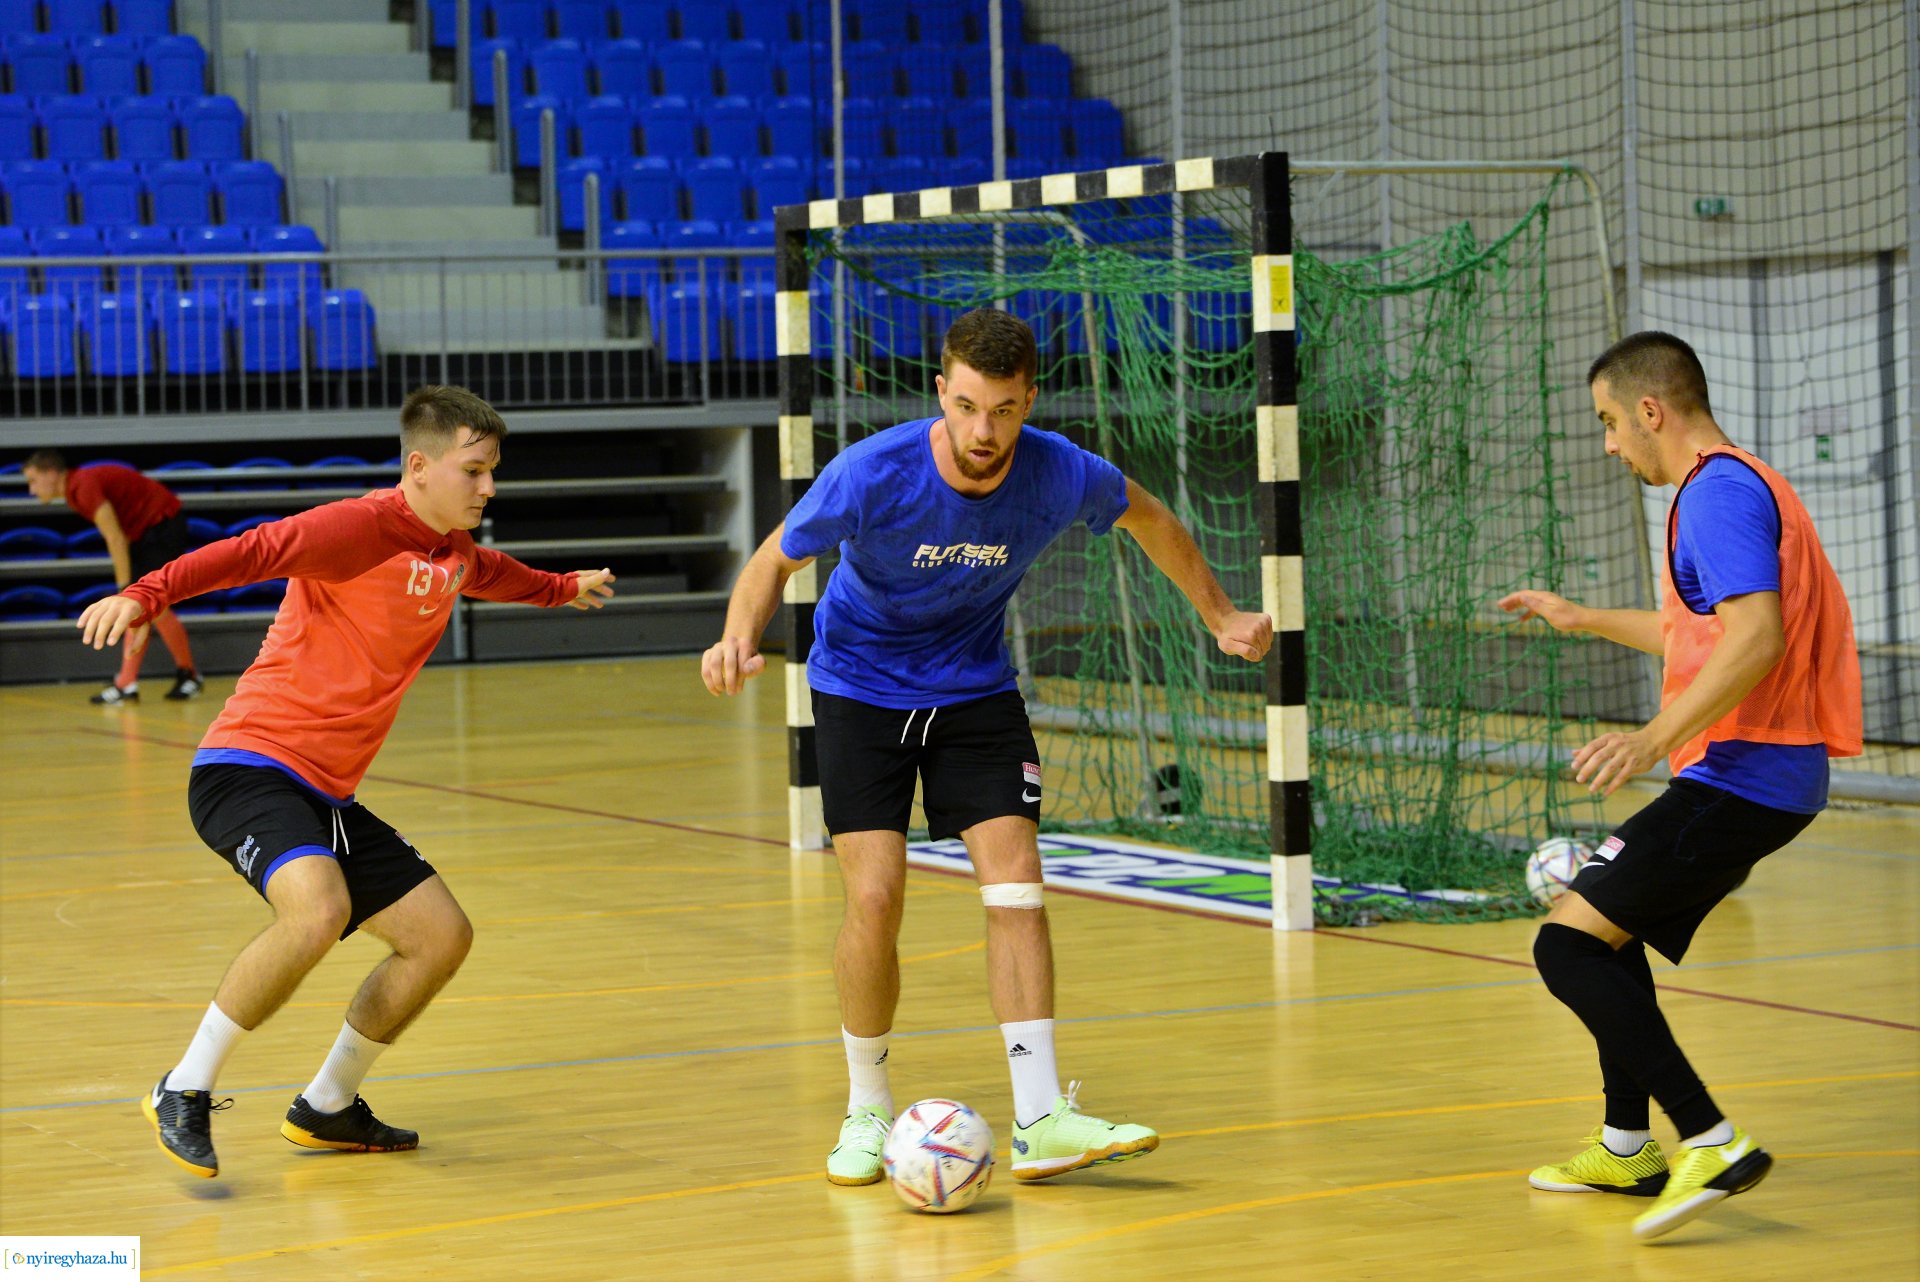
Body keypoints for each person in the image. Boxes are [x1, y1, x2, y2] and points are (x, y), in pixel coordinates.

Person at [701, 308, 1273, 1186]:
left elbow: (1151, 519)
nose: (982, 431)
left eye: (1002, 410)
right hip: (859, 689)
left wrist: (1222, 614)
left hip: (974, 691)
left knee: (1016, 889)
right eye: (966, 406)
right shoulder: (871, 472)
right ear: (942, 390)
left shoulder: (1060, 473)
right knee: (878, 896)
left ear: (1028, 401)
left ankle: (1041, 1118)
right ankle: (865, 1107)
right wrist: (738, 636)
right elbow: (774, 559)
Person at [78, 385, 616, 1179]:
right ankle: (181, 1088)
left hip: (326, 792)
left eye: (493, 471)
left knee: (440, 938)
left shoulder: (454, 555)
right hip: (247, 765)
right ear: (420, 467)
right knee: (317, 911)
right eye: (474, 471)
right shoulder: (356, 528)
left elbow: (498, 574)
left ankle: (327, 1105)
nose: (488, 487)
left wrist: (565, 587)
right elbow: (250, 551)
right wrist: (143, 592)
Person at [1499, 332, 1862, 1241]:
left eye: (1611, 423)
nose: (1612, 444)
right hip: (1754, 774)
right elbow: (1698, 638)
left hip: (1748, 775)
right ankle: (1628, 1146)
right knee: (1604, 934)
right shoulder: (1737, 483)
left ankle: (1709, 1136)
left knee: (1565, 949)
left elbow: (1758, 639)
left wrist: (1650, 737)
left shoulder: (1717, 494)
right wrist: (1581, 618)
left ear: (1652, 410)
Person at [22, 450, 202, 704]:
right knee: (143, 608)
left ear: (51, 473)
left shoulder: (82, 487)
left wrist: (124, 587)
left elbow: (114, 536)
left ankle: (179, 677)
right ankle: (135, 682)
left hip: (162, 526)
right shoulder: (76, 490)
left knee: (149, 606)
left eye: (33, 480)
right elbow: (120, 529)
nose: (31, 489)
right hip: (146, 531)